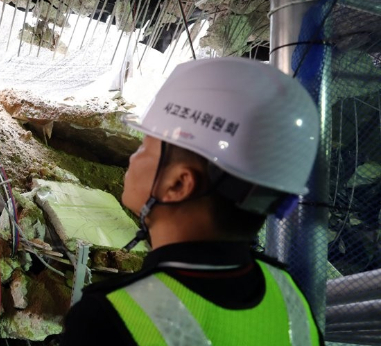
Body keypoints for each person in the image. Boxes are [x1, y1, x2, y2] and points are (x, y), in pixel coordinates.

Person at [60, 57, 325, 346]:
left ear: (178, 184)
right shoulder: (289, 296)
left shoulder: (108, 319)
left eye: (145, 147)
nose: (133, 158)